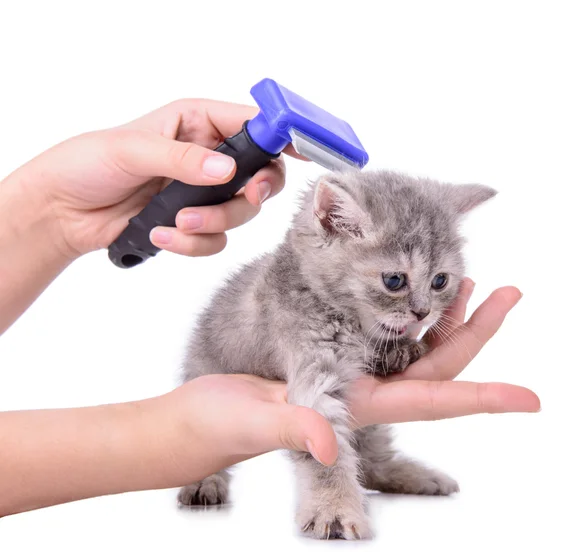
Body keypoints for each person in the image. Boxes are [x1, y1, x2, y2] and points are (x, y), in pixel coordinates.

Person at [0, 98, 539, 518]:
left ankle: (376, 465)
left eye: (440, 282)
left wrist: (50, 211)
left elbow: (358, 379)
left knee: (373, 383)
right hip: (220, 361)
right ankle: (317, 493)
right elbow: (316, 401)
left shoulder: (391, 302)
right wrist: (175, 439)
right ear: (329, 224)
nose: (424, 308)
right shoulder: (296, 295)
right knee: (333, 391)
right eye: (396, 281)